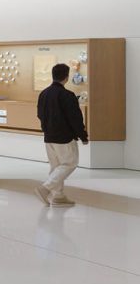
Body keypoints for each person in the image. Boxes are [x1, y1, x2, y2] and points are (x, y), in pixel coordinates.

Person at [35, 63, 88, 207]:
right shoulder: (67, 95)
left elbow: (40, 114)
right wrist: (83, 135)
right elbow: (75, 118)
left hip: (48, 136)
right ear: (66, 77)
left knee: (56, 166)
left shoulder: (43, 94)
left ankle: (58, 196)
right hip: (64, 138)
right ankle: (45, 188)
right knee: (70, 163)